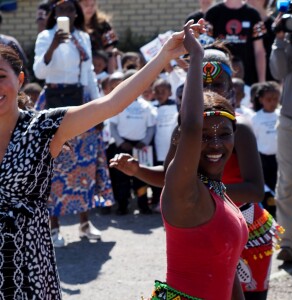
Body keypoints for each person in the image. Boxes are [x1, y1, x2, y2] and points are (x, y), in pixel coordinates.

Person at [0, 20, 190, 299]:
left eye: (0, 76)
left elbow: (112, 103)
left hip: (28, 272)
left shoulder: (43, 127)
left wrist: (163, 56)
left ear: (19, 80)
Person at [111, 42, 283, 300]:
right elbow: (172, 176)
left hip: (241, 219)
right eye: (202, 84)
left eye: (217, 85)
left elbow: (255, 190)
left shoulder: (238, 130)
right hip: (208, 215)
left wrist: (207, 195)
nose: (209, 90)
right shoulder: (185, 137)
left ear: (232, 86)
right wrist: (140, 171)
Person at [145, 20, 248, 299]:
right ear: (185, 142)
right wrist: (196, 60)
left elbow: (228, 271)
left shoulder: (217, 191)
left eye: (224, 134)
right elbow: (191, 125)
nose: (215, 143)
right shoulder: (184, 191)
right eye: (204, 137)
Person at [33, 0, 113, 247]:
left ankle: (85, 223)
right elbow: (38, 72)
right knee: (53, 163)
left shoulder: (83, 37)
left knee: (84, 162)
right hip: (52, 102)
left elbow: (88, 75)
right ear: (54, 13)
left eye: (70, 10)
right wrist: (54, 46)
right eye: (61, 10)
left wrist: (99, 110)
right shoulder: (45, 36)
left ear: (76, 14)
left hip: (80, 100)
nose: (66, 13)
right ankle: (54, 227)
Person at [269, 15, 292, 263]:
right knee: (288, 183)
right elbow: (278, 71)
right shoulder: (289, 37)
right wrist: (280, 39)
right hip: (291, 121)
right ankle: (287, 243)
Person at [110, 70, 156, 215]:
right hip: (123, 145)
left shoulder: (146, 106)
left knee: (141, 178)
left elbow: (151, 127)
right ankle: (123, 205)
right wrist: (120, 142)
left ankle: (143, 205)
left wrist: (145, 142)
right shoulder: (118, 103)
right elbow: (112, 126)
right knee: (121, 178)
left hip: (140, 147)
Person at [205, 0, 266, 86]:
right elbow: (206, 48)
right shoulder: (212, 13)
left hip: (247, 80)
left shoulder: (253, 14)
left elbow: (259, 50)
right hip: (218, 78)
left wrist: (262, 81)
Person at [250, 81, 281, 217]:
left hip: (281, 157)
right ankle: (270, 215)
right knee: (267, 189)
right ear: (261, 99)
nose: (272, 102)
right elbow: (254, 140)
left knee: (281, 187)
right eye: (268, 99)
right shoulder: (255, 118)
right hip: (263, 159)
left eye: (275, 99)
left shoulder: (282, 115)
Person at [151, 78, 178, 211]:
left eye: (163, 91)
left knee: (172, 175)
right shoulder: (152, 108)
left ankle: (172, 202)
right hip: (158, 148)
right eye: (157, 91)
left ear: (170, 92)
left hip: (171, 148)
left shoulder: (176, 107)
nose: (160, 94)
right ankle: (158, 201)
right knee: (159, 176)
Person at [78, 0, 119, 73]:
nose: (90, 8)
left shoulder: (103, 25)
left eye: (92, 5)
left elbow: (110, 52)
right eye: (86, 5)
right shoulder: (73, 26)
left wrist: (111, 75)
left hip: (101, 72)